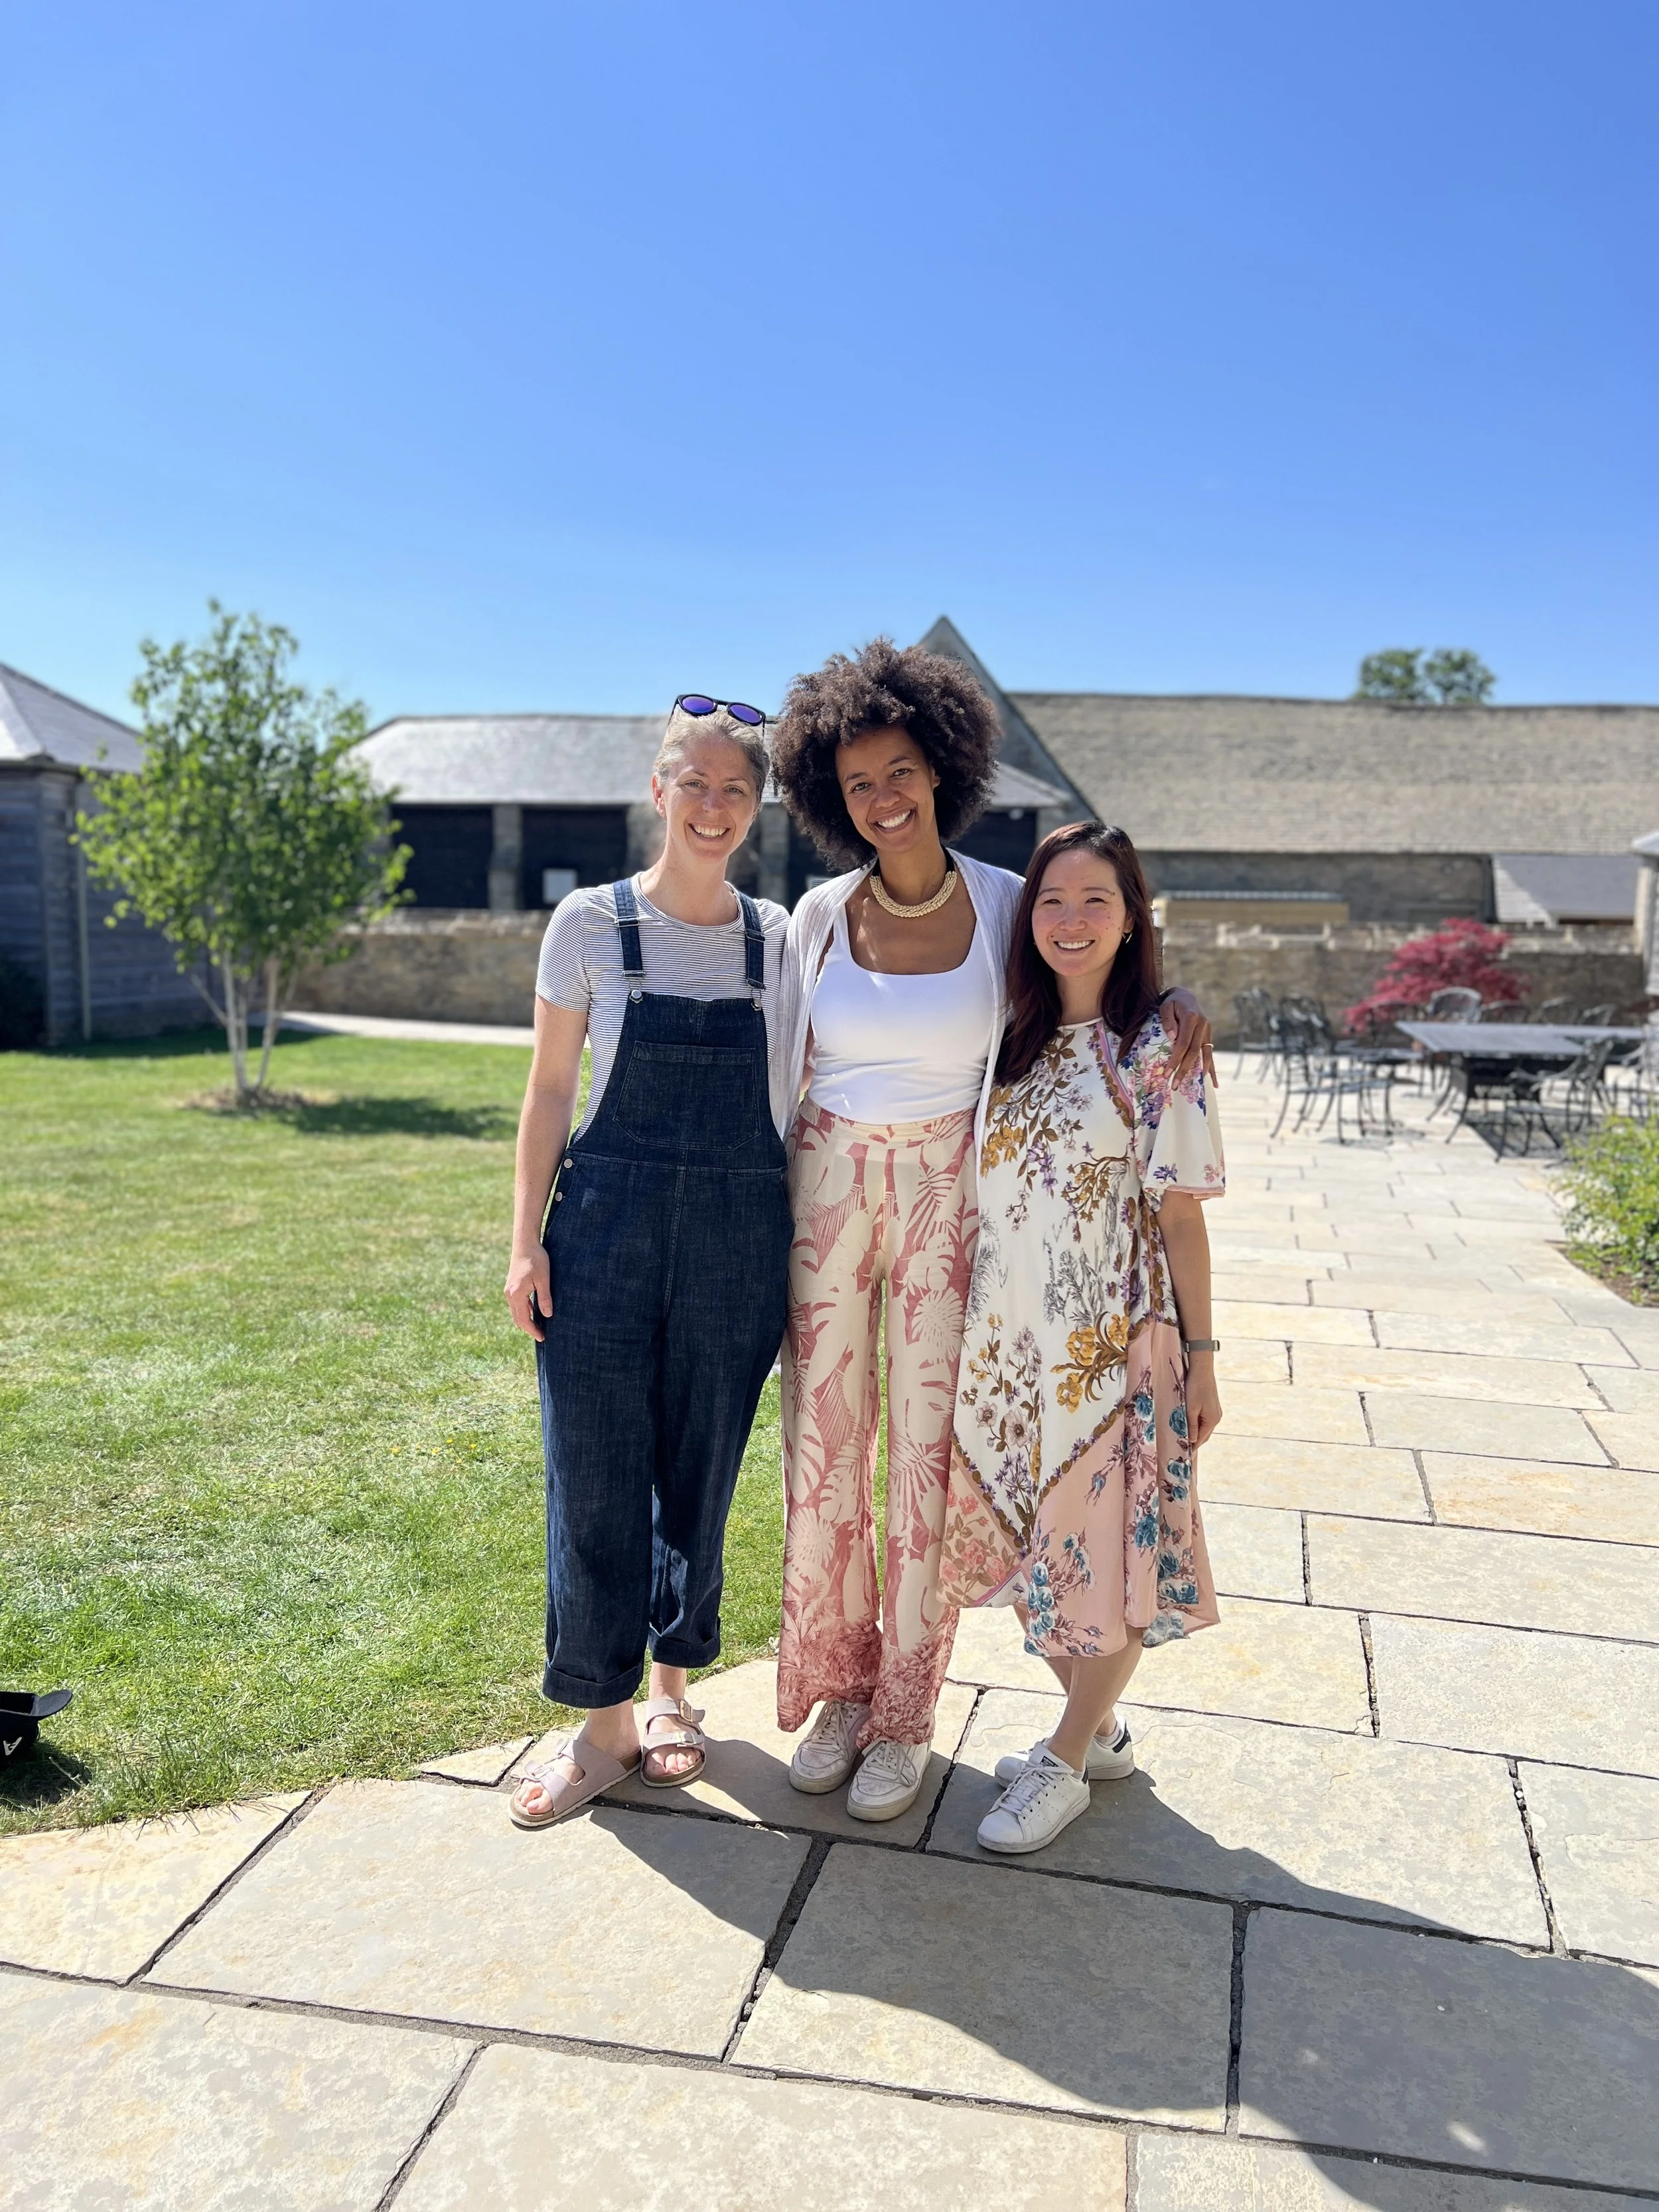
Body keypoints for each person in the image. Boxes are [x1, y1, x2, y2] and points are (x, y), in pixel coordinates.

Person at [768, 640, 1214, 1824]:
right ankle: (838, 1686)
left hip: (945, 1200)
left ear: (944, 768)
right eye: (857, 782)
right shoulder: (815, 919)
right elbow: (779, 1070)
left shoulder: (1010, 902)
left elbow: (1092, 973)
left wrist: (1178, 1009)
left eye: (901, 770)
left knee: (924, 1456)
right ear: (830, 796)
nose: (883, 798)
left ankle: (908, 1711)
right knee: (822, 1455)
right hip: (825, 1191)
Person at [503, 697, 794, 1828]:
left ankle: (674, 1693)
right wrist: (522, 1239)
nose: (713, 805)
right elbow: (547, 1091)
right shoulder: (586, 923)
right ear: (658, 788)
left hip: (738, 1241)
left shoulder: (783, 938)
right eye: (695, 782)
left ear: (758, 806)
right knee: (593, 1474)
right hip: (603, 1236)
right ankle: (601, 1723)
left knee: (702, 1472)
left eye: (736, 788)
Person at [939, 820, 1224, 1856]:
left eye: (1096, 899)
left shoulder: (1161, 1046)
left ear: (1132, 914)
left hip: (1114, 1349)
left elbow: (1183, 1217)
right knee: (1035, 1560)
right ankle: (1096, 1732)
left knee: (1108, 1559)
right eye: (1052, 900)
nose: (1071, 920)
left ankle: (1060, 1761)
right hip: (1011, 1354)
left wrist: (1201, 1358)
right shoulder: (1010, 1037)